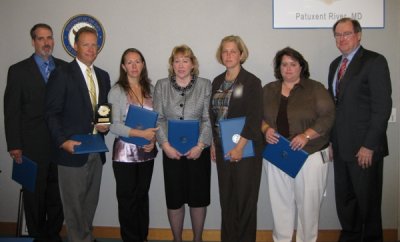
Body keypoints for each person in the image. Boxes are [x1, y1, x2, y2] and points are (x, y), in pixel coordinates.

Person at [45, 26, 111, 242]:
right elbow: (51, 113)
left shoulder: (102, 75)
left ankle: (86, 238)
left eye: (94, 45)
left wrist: (105, 126)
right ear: (75, 46)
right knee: (73, 208)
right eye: (86, 44)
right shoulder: (62, 73)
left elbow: (102, 111)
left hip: (96, 149)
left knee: (90, 204)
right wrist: (62, 142)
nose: (91, 49)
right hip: (71, 152)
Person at [328, 18, 392, 242]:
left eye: (346, 34)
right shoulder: (335, 64)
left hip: (365, 149)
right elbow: (336, 108)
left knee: (368, 205)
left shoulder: (374, 61)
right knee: (346, 203)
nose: (341, 39)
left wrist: (369, 145)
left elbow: (382, 107)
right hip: (341, 147)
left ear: (359, 35)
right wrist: (331, 142)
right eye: (337, 35)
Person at [262, 47, 335, 242]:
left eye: (293, 64)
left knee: (309, 208)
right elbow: (256, 117)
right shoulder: (268, 89)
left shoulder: (315, 88)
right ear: (279, 68)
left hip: (309, 155)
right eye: (284, 64)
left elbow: (328, 116)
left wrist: (306, 135)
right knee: (280, 205)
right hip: (277, 154)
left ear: (301, 67)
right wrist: (265, 129)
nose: (288, 68)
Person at [3, 23, 66, 242]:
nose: (46, 42)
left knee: (57, 195)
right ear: (33, 41)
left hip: (59, 145)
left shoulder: (64, 68)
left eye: (49, 38)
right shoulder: (18, 70)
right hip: (31, 145)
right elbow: (12, 111)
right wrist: (14, 144)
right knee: (34, 196)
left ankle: (53, 234)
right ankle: (38, 236)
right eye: (41, 38)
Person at [153, 45, 212, 242]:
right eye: (176, 61)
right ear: (171, 64)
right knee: (174, 199)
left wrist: (201, 145)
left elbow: (208, 119)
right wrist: (165, 145)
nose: (181, 65)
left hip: (199, 152)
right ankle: (176, 239)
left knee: (198, 198)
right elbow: (158, 118)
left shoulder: (205, 85)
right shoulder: (161, 85)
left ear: (193, 64)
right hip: (171, 151)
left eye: (185, 60)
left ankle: (197, 239)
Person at [209, 35, 263, 242]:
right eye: (225, 51)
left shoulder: (252, 82)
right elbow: (212, 116)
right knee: (228, 200)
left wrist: (240, 147)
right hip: (223, 149)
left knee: (245, 202)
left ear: (241, 54)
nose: (229, 55)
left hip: (246, 150)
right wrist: (215, 144)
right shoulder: (216, 82)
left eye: (233, 51)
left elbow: (254, 118)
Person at [108, 48, 158, 242]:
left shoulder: (151, 89)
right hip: (124, 154)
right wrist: (141, 134)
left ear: (143, 64)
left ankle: (142, 237)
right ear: (123, 66)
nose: (134, 66)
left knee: (142, 197)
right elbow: (114, 125)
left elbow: (157, 120)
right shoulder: (117, 91)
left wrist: (152, 139)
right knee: (127, 199)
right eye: (129, 62)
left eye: (138, 61)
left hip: (147, 152)